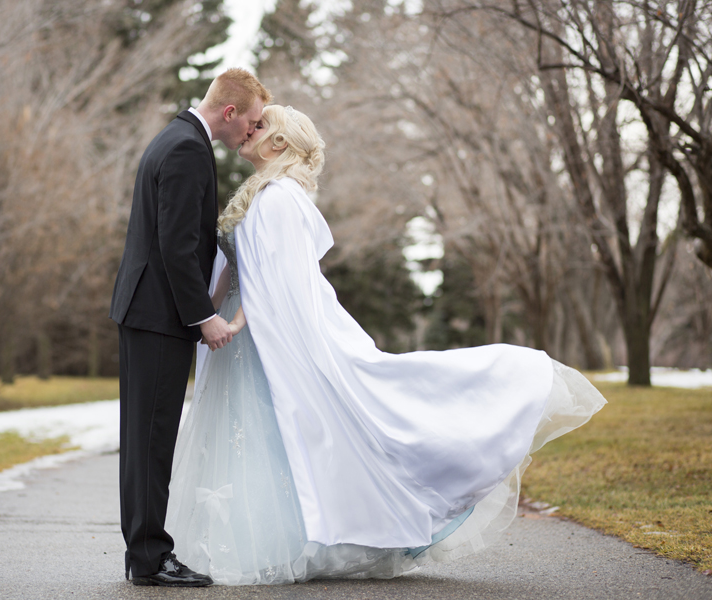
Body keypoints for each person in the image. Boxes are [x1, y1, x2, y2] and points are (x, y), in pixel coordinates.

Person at [165, 105, 607, 585]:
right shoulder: (260, 194)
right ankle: (275, 539)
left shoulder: (280, 199)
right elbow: (238, 265)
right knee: (266, 438)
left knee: (306, 424)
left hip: (269, 330)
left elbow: (279, 280)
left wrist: (231, 321)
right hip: (247, 335)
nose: (250, 129)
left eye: (261, 126)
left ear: (280, 145)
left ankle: (501, 393)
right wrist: (203, 315)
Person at [108, 69, 272, 587]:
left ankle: (143, 555)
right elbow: (175, 246)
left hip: (146, 312)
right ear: (229, 113)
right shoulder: (186, 150)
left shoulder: (175, 137)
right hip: (159, 316)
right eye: (250, 120)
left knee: (143, 440)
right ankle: (152, 560)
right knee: (152, 439)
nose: (252, 130)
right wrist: (206, 318)